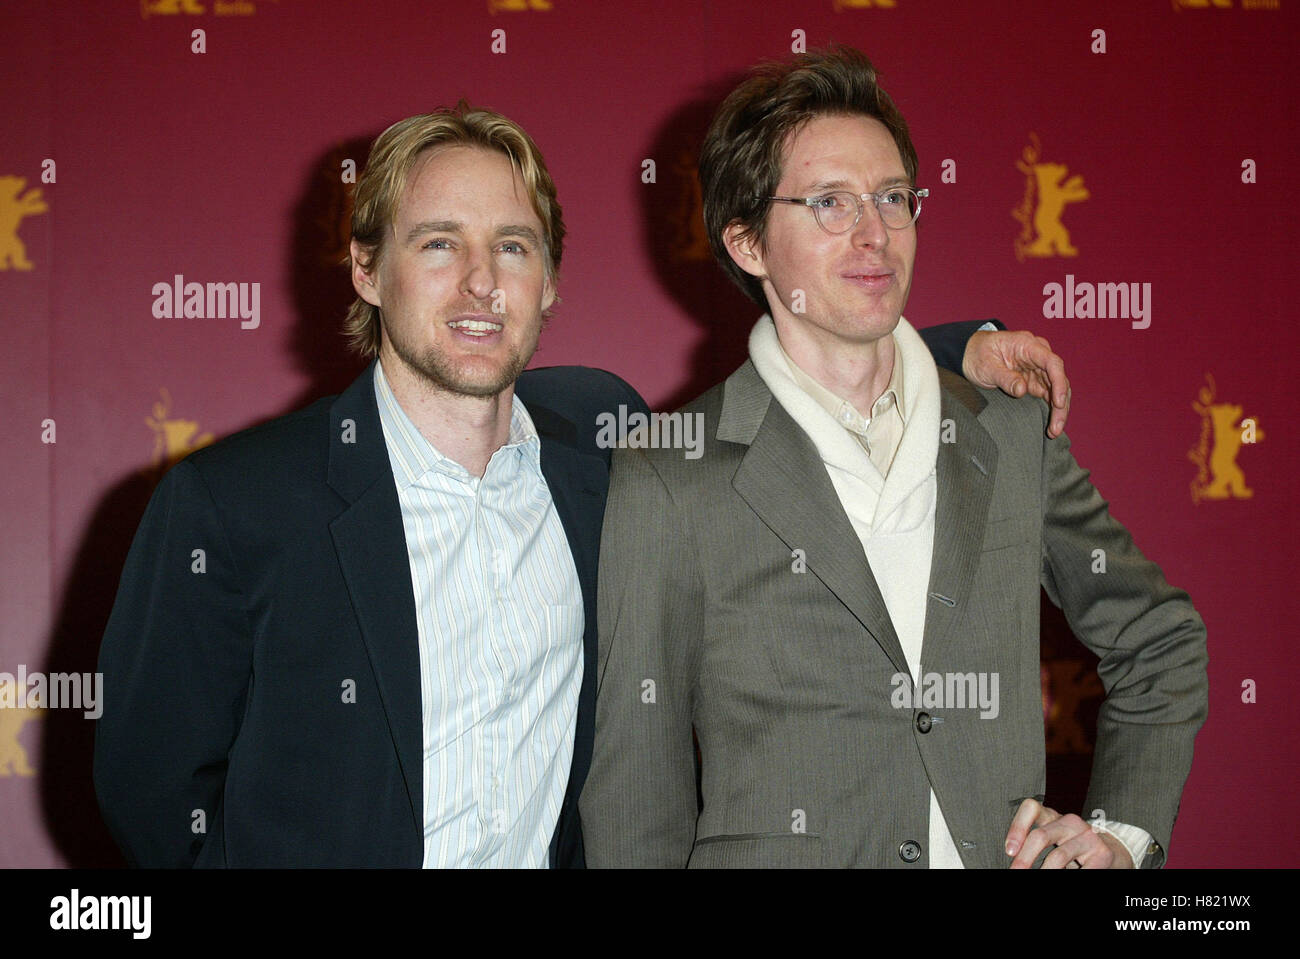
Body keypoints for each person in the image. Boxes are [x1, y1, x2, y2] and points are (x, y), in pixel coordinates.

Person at [94, 101, 1074, 868]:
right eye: (439, 243)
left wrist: (958, 347)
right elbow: (151, 790)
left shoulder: (611, 457)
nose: (481, 283)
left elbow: (771, 414)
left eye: (512, 247)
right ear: (364, 266)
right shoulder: (232, 504)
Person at [579, 48, 1208, 869]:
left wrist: (1122, 838)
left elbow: (1160, 636)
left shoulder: (1009, 430)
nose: (874, 231)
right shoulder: (670, 476)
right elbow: (637, 798)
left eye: (892, 197)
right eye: (830, 202)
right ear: (747, 243)